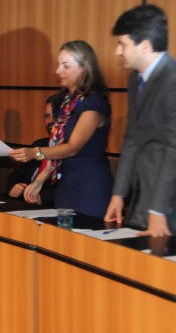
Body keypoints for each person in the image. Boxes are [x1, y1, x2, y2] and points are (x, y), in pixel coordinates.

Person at [104, 4, 176, 237]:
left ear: (144, 46)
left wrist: (158, 210)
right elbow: (133, 139)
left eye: (122, 44)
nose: (118, 52)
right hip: (144, 200)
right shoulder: (136, 80)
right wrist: (119, 194)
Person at [8, 40, 113, 218]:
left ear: (84, 67)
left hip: (89, 186)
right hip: (66, 184)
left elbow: (72, 148)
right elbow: (56, 144)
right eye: (58, 65)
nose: (58, 71)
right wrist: (40, 179)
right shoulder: (64, 103)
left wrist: (34, 153)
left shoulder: (93, 102)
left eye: (65, 66)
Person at [6, 94, 63, 206]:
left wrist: (42, 198)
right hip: (23, 205)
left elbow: (68, 188)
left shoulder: (69, 150)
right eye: (47, 116)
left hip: (50, 208)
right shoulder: (39, 144)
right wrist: (13, 188)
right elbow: (17, 174)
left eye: (55, 115)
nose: (51, 121)